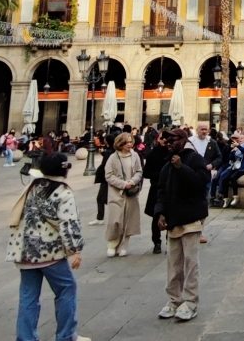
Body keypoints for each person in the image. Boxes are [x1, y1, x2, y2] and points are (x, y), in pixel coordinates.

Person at [8, 152, 88, 341]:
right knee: (66, 289)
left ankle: (26, 338)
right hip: (49, 252)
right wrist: (75, 250)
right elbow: (69, 224)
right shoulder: (62, 192)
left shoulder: (32, 187)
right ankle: (66, 335)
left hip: (24, 251)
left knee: (28, 297)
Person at [153, 127, 208, 323]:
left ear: (183, 140)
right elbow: (161, 190)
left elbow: (202, 183)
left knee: (191, 263)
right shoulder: (167, 164)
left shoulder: (193, 159)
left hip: (191, 218)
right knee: (174, 264)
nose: (168, 144)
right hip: (173, 220)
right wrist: (159, 212)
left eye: (172, 141)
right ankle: (174, 300)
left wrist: (181, 168)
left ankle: (191, 302)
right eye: (166, 141)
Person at [101, 132, 143, 257]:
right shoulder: (113, 157)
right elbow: (108, 175)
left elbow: (139, 171)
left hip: (131, 193)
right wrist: (122, 184)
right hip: (116, 193)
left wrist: (133, 181)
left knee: (129, 220)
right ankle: (112, 244)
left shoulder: (135, 156)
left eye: (131, 142)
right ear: (121, 143)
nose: (129, 144)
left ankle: (124, 244)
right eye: (127, 142)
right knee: (115, 220)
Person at [142, 130, 169, 254]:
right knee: (156, 216)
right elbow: (146, 173)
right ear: (157, 140)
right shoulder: (152, 154)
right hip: (156, 188)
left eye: (166, 139)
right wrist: (161, 175)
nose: (164, 141)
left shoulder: (172, 153)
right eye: (162, 138)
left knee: (171, 215)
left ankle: (170, 241)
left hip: (170, 188)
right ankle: (156, 242)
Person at [213, 132, 244, 208]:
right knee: (225, 178)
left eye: (241, 138)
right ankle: (226, 198)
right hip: (235, 166)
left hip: (243, 168)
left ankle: (235, 196)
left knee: (233, 178)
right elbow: (231, 158)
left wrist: (239, 147)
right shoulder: (237, 147)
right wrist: (233, 150)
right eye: (239, 138)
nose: (239, 139)